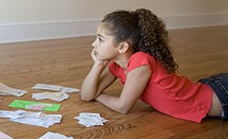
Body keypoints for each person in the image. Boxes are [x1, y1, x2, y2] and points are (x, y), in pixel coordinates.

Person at [80, 8, 227, 123]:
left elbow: (123, 107)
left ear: (122, 47)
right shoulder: (116, 66)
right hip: (210, 88)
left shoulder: (140, 61)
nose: (94, 44)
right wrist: (98, 65)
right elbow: (86, 95)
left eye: (100, 39)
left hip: (221, 97)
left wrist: (98, 95)